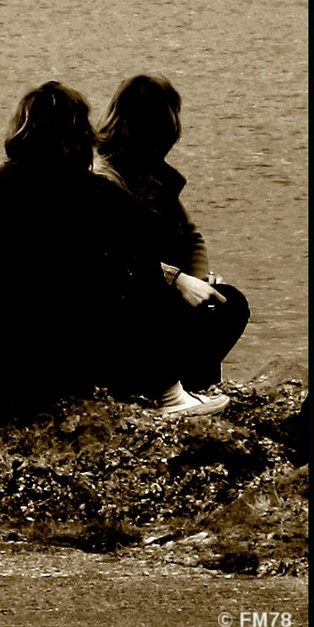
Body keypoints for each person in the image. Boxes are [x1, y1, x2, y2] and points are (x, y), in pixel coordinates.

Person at [0, 81, 162, 415]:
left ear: (23, 129)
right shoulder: (99, 194)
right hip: (67, 368)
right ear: (79, 135)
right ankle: (168, 389)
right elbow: (149, 240)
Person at [94, 73, 249, 413]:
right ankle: (167, 392)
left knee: (228, 303)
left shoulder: (151, 178)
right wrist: (177, 281)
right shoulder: (103, 180)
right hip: (120, 309)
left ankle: (192, 388)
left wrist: (199, 280)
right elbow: (116, 259)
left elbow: (192, 237)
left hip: (155, 293)